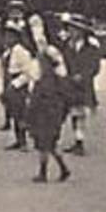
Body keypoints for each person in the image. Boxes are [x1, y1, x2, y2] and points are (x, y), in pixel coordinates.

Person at [26, 34, 73, 184]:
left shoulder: (44, 82)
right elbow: (66, 99)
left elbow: (35, 100)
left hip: (45, 116)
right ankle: (63, 168)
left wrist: (29, 115)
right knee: (50, 145)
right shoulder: (59, 81)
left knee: (44, 145)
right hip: (53, 116)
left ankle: (43, 172)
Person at [57, 13, 101, 155]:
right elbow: (61, 62)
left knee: (80, 113)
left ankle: (79, 141)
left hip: (83, 85)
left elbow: (94, 65)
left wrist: (83, 76)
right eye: (70, 29)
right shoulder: (66, 46)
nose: (71, 32)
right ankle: (68, 138)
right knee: (70, 112)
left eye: (75, 29)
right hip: (68, 84)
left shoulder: (91, 47)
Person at [0, 2, 37, 151]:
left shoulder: (21, 51)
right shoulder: (8, 52)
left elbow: (29, 72)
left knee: (21, 113)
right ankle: (18, 139)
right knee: (15, 112)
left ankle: (25, 141)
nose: (6, 39)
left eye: (9, 36)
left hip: (19, 83)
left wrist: (16, 83)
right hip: (10, 80)